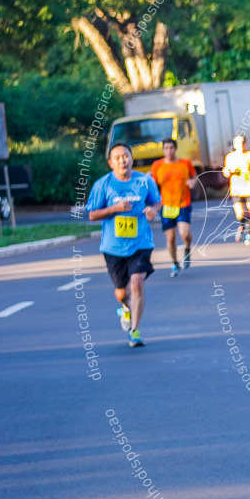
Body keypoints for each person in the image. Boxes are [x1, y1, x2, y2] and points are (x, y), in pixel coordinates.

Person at [86, 142, 162, 347]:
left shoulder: (145, 181)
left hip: (141, 242)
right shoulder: (103, 184)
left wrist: (153, 211)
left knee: (137, 283)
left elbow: (157, 201)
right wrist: (115, 208)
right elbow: (92, 213)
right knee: (122, 292)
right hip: (113, 246)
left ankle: (135, 331)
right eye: (117, 157)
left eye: (126, 156)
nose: (123, 160)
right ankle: (125, 308)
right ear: (111, 163)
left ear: (132, 159)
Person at [150, 138, 197, 277]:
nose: (169, 151)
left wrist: (192, 182)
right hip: (166, 206)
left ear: (175, 149)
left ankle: (187, 249)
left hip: (183, 204)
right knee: (170, 238)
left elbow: (195, 177)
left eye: (171, 148)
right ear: (163, 150)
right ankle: (175, 263)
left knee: (184, 233)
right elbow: (153, 183)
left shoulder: (185, 163)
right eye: (166, 148)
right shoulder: (157, 165)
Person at [222, 135, 250, 245]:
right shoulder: (230, 157)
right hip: (236, 189)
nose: (240, 145)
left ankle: (248, 235)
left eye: (242, 142)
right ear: (234, 145)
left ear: (245, 144)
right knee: (240, 213)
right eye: (238, 143)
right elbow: (226, 171)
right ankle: (241, 225)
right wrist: (228, 172)